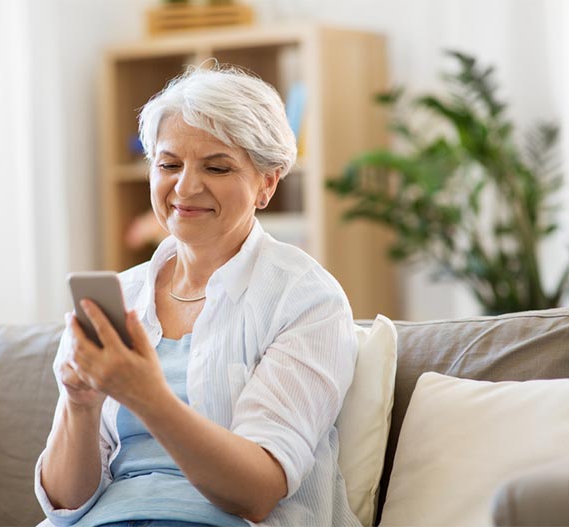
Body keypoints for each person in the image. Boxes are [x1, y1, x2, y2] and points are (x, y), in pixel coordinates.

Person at [35, 65, 360, 527]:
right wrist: (79, 405)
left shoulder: (306, 299)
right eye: (169, 165)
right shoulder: (122, 296)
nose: (185, 187)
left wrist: (147, 396)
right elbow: (66, 503)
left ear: (266, 183)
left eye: (217, 166)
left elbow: (256, 493)